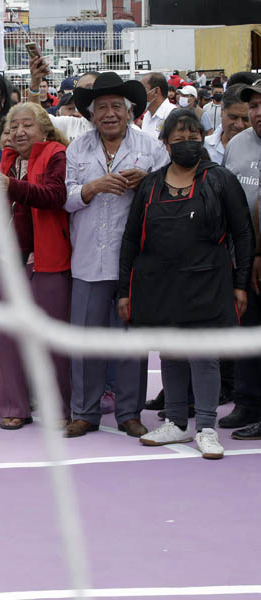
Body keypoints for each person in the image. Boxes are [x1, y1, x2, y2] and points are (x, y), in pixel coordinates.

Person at [119, 109, 254, 459]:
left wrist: (240, 284)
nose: (186, 145)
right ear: (165, 144)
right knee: (172, 353)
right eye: (178, 139)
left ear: (203, 141)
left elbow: (242, 233)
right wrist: (125, 290)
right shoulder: (150, 184)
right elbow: (132, 239)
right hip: (159, 284)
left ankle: (206, 427)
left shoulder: (221, 179)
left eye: (193, 139)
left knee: (204, 356)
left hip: (209, 282)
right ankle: (176, 422)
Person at [62, 72, 169, 439]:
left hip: (132, 264)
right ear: (91, 114)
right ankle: (84, 412)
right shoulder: (78, 148)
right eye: (101, 107)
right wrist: (91, 188)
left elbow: (168, 198)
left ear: (131, 111)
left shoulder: (151, 147)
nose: (109, 114)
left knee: (129, 342)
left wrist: (147, 183)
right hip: (89, 260)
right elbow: (65, 198)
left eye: (116, 107)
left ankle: (129, 412)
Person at [0, 102, 72, 430]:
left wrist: (11, 186)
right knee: (7, 337)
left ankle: (58, 408)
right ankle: (13, 407)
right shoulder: (6, 160)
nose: (18, 132)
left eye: (26, 125)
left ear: (44, 128)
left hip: (45, 258)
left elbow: (55, 195)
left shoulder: (57, 153)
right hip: (4, 258)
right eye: (13, 127)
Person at [219, 79, 261, 439]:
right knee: (247, 330)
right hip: (242, 257)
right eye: (255, 106)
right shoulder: (238, 145)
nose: (258, 112)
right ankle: (246, 402)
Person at [204, 84, 250, 164]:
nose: (240, 125)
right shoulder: (204, 146)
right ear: (222, 111)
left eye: (246, 119)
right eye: (233, 117)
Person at [139, 72, 175, 140]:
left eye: (142, 90)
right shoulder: (147, 115)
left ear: (156, 91)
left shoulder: (172, 114)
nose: (139, 94)